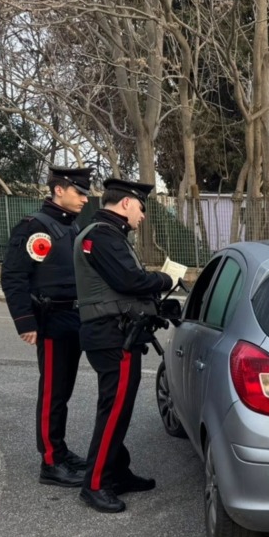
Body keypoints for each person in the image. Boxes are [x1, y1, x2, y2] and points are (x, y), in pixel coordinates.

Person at [74, 178, 182, 513]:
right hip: (112, 336)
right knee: (114, 410)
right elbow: (129, 281)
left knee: (117, 409)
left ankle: (117, 473)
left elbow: (123, 287)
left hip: (117, 333)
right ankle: (94, 484)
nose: (143, 216)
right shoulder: (102, 236)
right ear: (125, 204)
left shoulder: (109, 234)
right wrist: (167, 279)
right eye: (141, 208)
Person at [1, 166, 94, 487]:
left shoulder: (70, 226)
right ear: (59, 190)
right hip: (53, 321)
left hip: (74, 319)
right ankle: (51, 462)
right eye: (79, 192)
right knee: (53, 392)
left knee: (64, 391)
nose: (84, 198)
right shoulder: (37, 228)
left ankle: (61, 450)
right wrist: (25, 321)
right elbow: (13, 276)